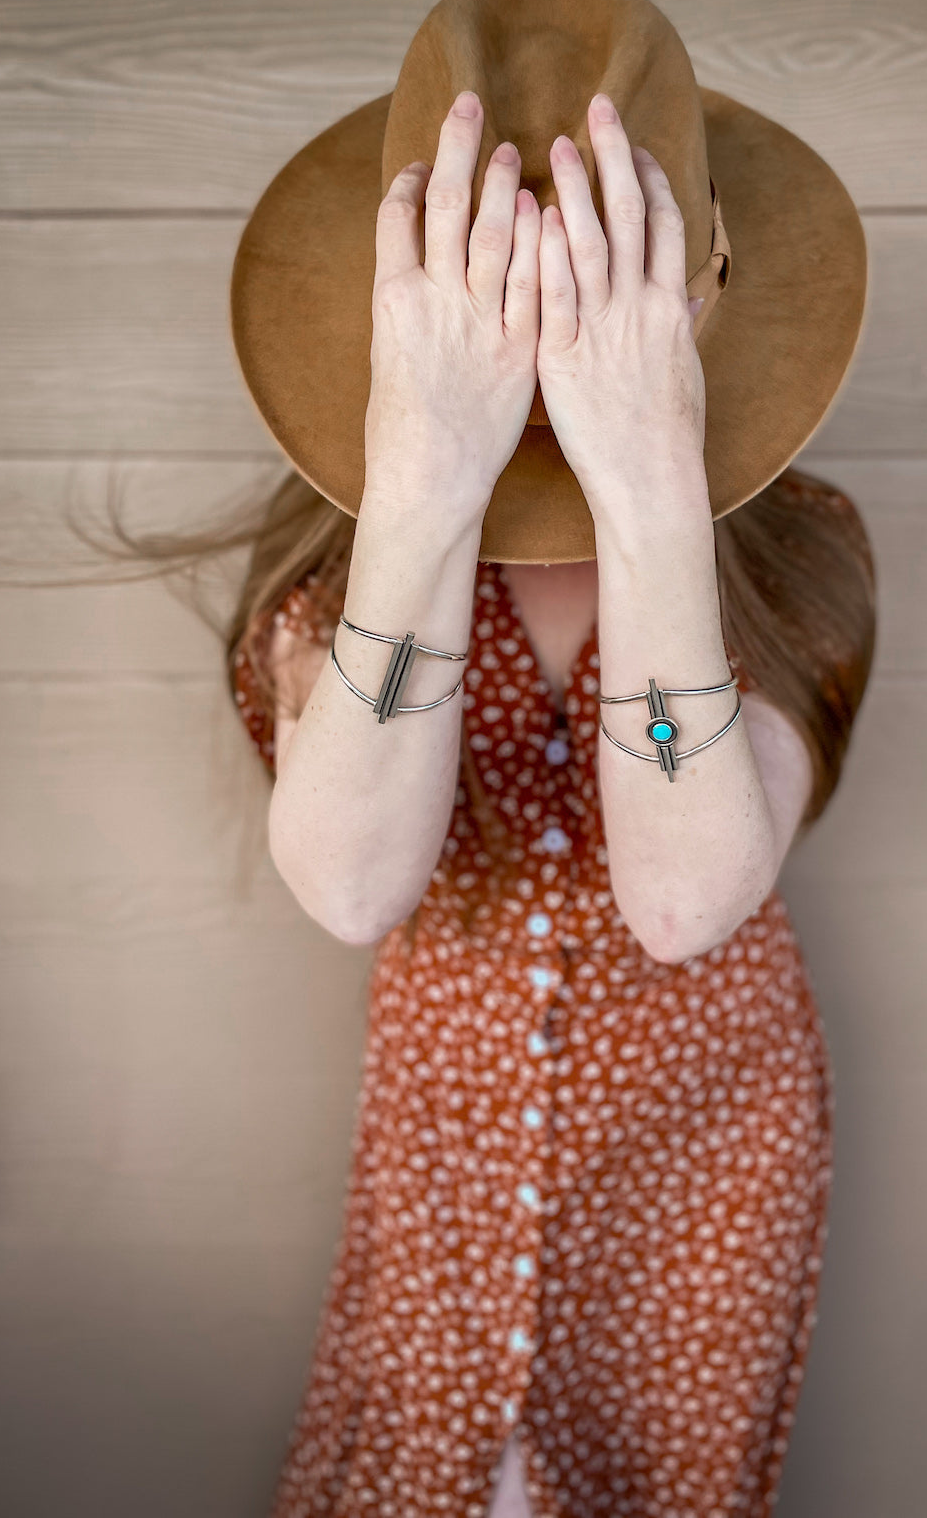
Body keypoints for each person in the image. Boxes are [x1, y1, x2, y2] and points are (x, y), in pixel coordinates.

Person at [227, 74, 875, 1517]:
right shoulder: (322, 579)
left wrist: (650, 474)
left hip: (703, 1145)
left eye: (593, 261)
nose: (547, 295)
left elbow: (687, 897)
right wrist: (422, 482)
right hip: (444, 1157)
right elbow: (347, 883)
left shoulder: (799, 553)